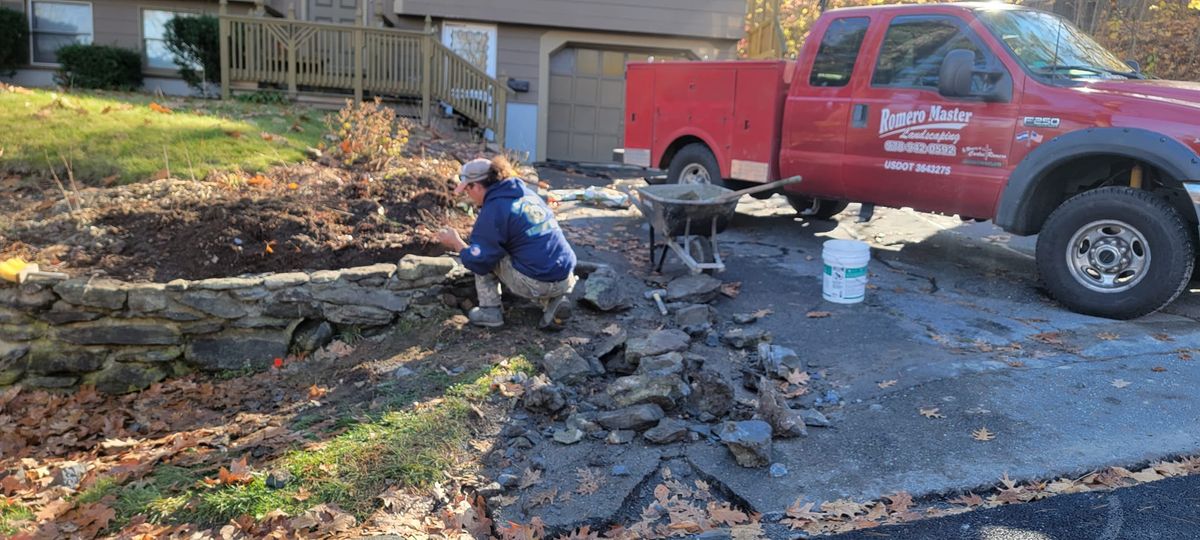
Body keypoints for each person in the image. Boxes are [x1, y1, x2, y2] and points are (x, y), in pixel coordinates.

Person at [435, 157, 577, 328]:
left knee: (482, 254)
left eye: (467, 189)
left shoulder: (494, 210)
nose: (468, 195)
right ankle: (554, 301)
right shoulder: (526, 194)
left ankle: (490, 311)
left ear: (478, 186)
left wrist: (456, 242)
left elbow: (479, 260)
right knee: (519, 247)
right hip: (565, 275)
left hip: (537, 282)